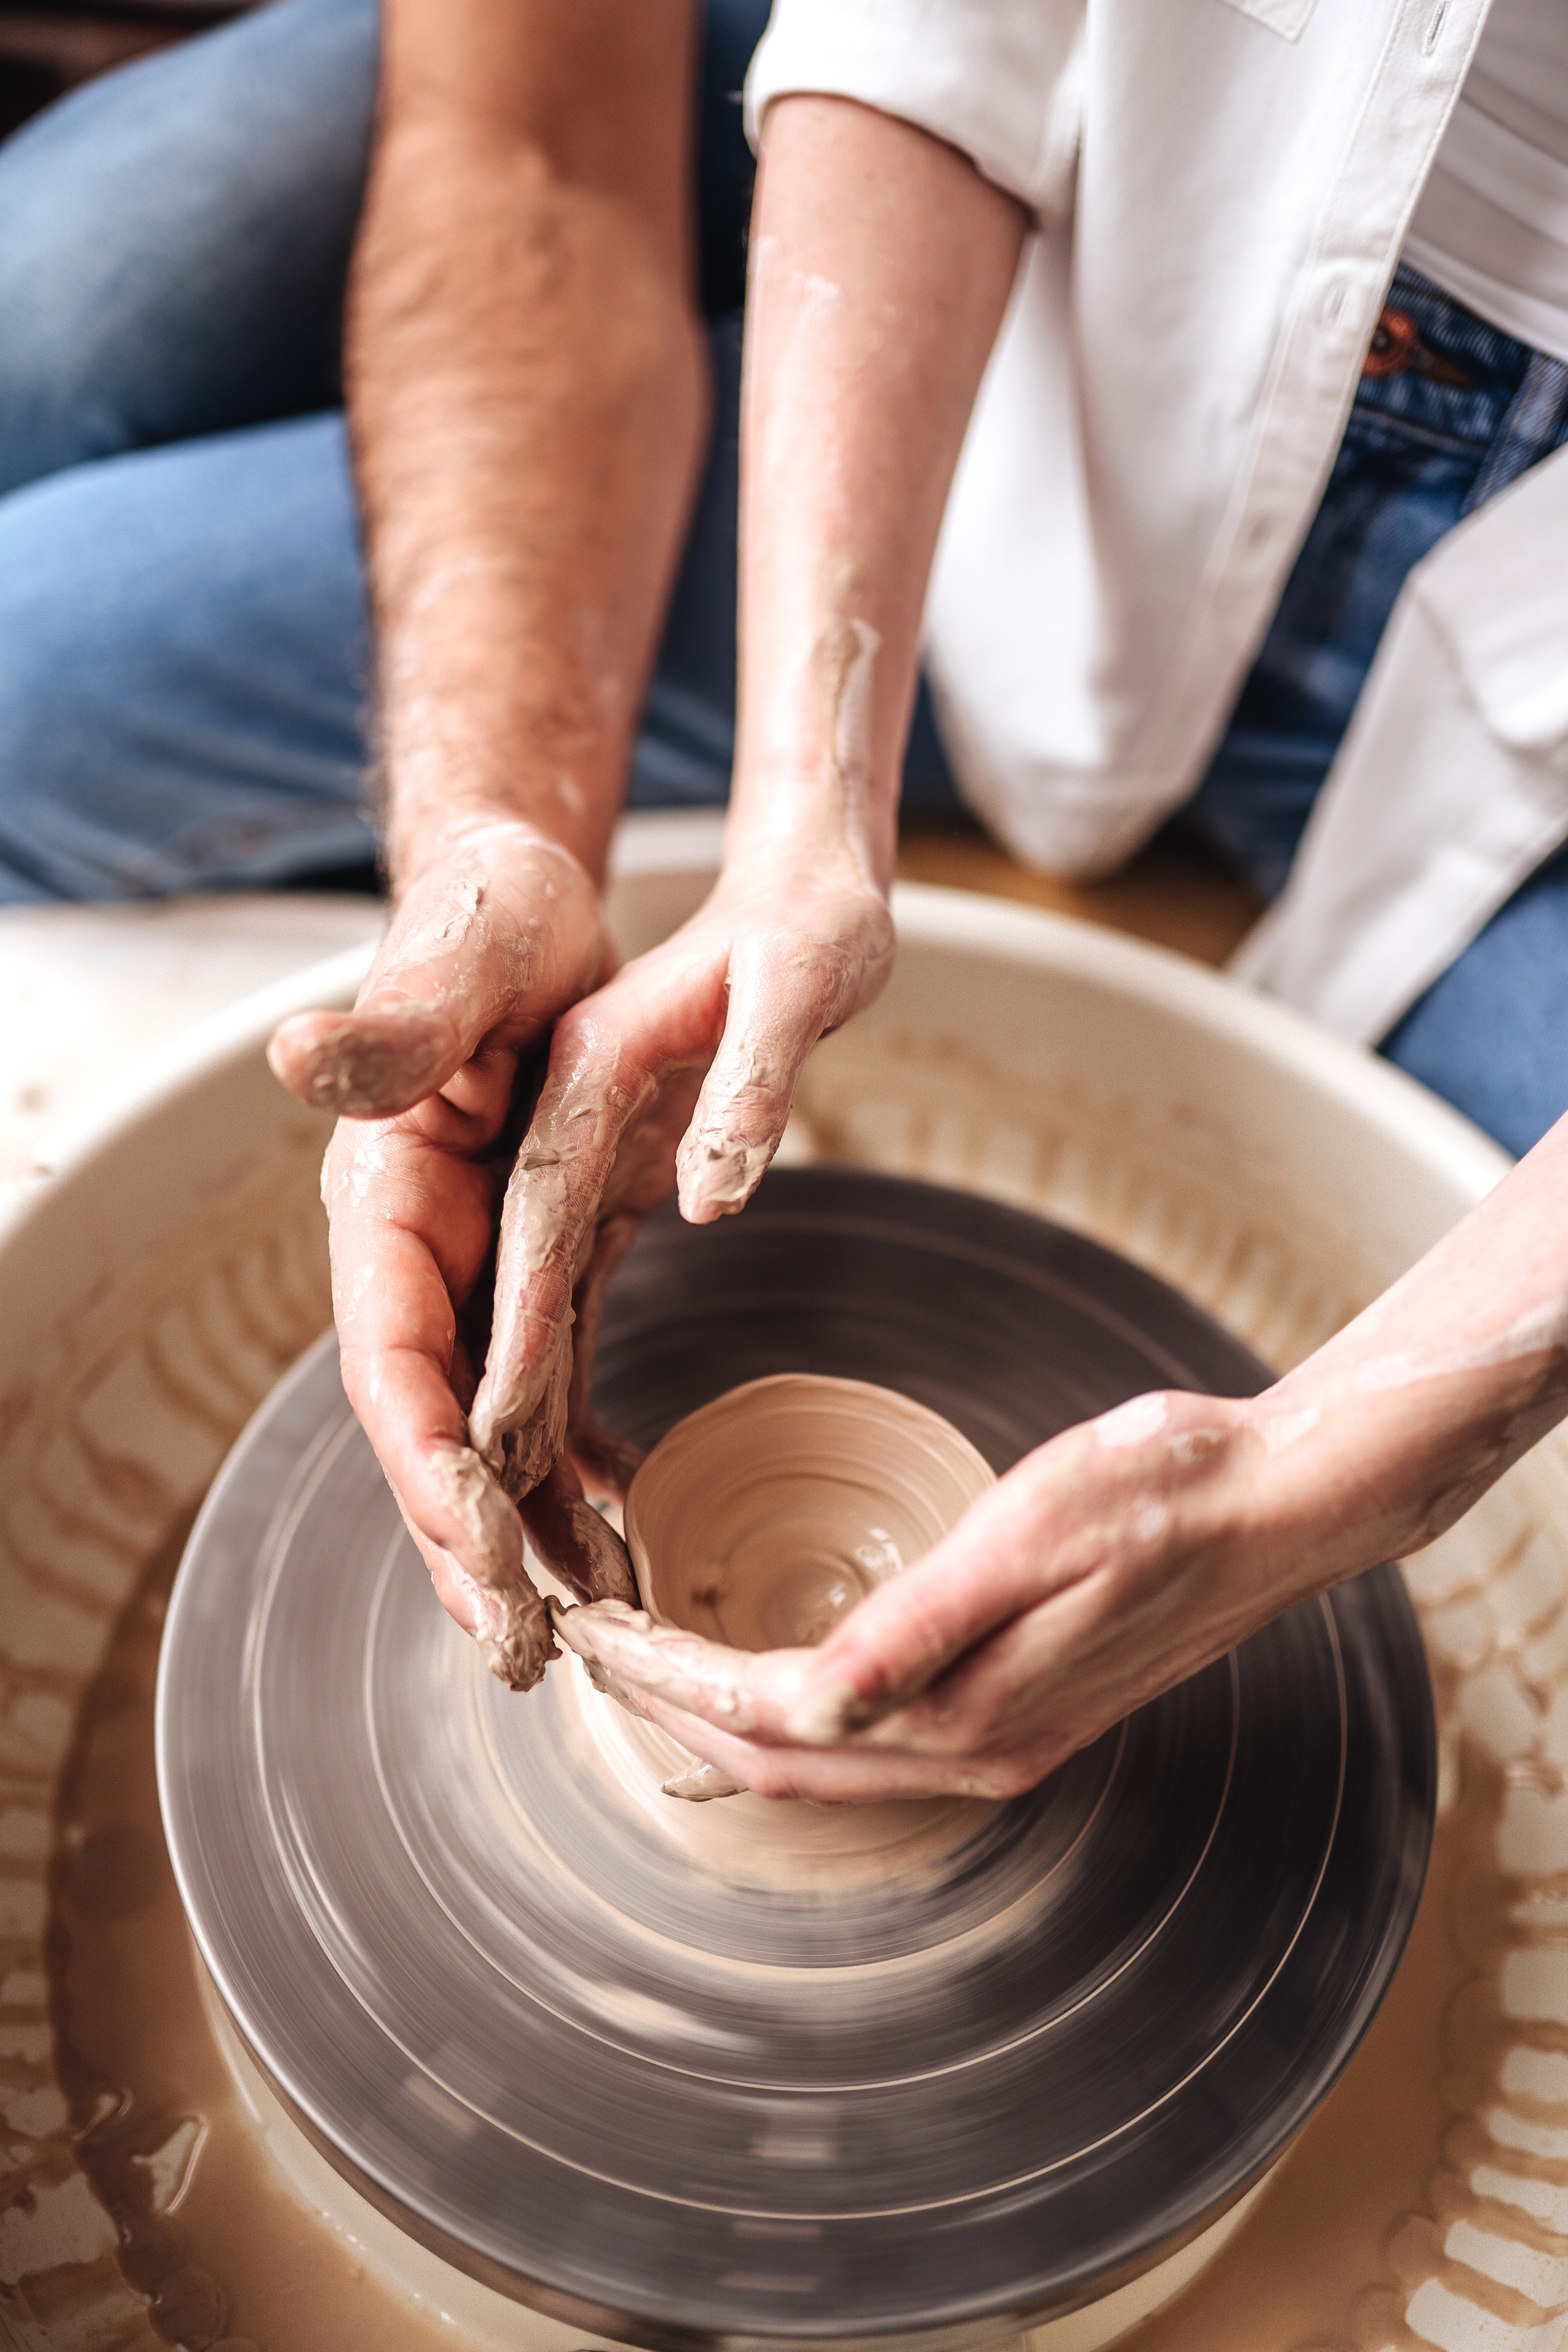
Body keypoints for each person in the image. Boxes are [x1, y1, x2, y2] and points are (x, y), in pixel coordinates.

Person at [4, 2, 1567, 1792]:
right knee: (40, 526)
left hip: (1529, 653)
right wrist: (690, 815)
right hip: (999, 293)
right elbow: (578, 138)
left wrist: (1343, 1460)